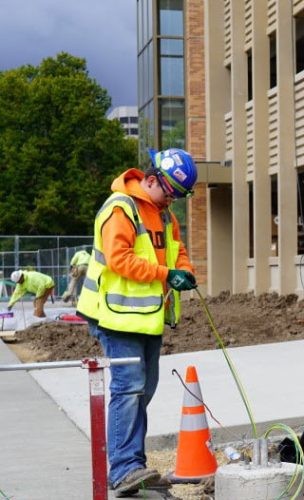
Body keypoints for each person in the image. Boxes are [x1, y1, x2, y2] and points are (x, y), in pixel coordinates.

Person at [76, 148, 198, 496]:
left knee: (143, 391)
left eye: (177, 195)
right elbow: (119, 259)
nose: (171, 199)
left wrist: (184, 273)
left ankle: (134, 464)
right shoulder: (121, 208)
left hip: (146, 318)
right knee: (128, 389)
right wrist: (166, 273)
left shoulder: (164, 215)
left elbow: (179, 252)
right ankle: (124, 468)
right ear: (150, 179)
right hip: (115, 315)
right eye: (170, 191)